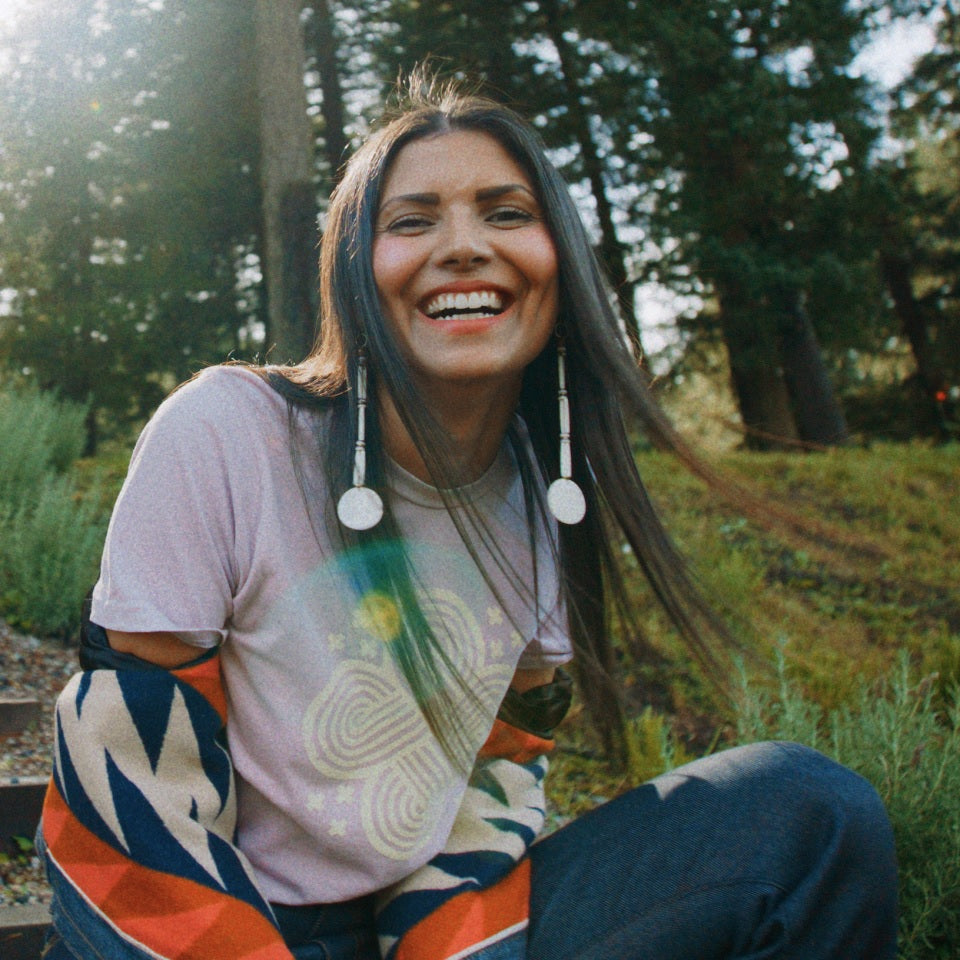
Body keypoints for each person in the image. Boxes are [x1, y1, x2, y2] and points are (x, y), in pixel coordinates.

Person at [39, 75, 897, 960]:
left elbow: (497, 767)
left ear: (559, 258)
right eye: (412, 221)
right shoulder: (231, 433)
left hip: (418, 926)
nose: (463, 247)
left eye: (506, 212)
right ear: (355, 270)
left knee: (811, 814)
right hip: (215, 918)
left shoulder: (548, 491)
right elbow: (130, 765)